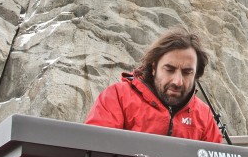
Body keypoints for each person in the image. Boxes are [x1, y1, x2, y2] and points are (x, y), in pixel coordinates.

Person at [85, 26, 223, 143]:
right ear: (153, 67)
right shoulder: (117, 97)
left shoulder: (204, 115)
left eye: (187, 72)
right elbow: (95, 150)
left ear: (196, 74)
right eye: (169, 69)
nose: (177, 81)